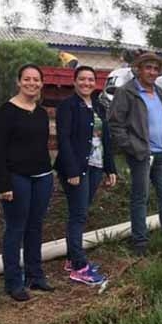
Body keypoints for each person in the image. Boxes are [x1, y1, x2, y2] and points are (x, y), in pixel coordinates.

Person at [0, 64, 54, 302]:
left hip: (42, 177)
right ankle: (13, 282)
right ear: (19, 82)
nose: (31, 83)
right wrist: (3, 184)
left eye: (36, 80)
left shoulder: (40, 112)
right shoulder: (6, 112)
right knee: (15, 229)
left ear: (41, 83)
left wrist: (48, 173)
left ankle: (35, 275)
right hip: (17, 179)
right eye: (27, 79)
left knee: (35, 227)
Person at [108, 52, 162, 256]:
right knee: (141, 198)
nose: (152, 72)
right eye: (148, 68)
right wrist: (131, 146)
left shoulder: (159, 92)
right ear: (139, 69)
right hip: (141, 154)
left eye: (156, 69)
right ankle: (140, 242)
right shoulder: (126, 92)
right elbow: (115, 124)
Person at [54, 66, 117, 286]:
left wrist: (110, 169)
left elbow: (106, 139)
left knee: (80, 212)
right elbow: (64, 140)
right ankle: (79, 268)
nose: (86, 83)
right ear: (75, 81)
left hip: (96, 167)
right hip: (77, 169)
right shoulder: (67, 107)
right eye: (82, 79)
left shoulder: (99, 106)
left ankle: (73, 259)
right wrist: (71, 171)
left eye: (90, 80)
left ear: (95, 83)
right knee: (78, 216)